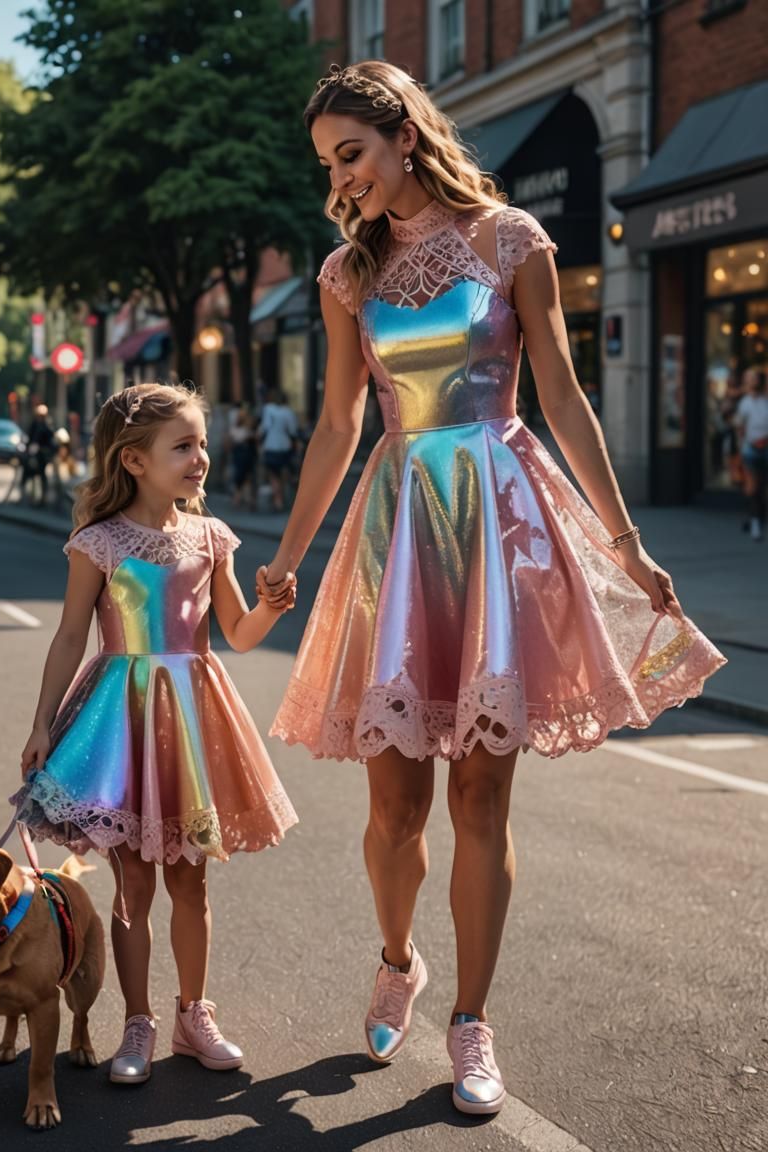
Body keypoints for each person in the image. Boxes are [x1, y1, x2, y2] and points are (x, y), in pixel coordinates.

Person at [256, 61, 726, 1117]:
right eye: (328, 162)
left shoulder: (510, 239)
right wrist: (285, 557)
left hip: (500, 525)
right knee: (391, 803)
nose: (341, 177)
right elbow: (337, 426)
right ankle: (395, 957)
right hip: (397, 527)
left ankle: (469, 1020)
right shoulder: (345, 275)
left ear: (403, 138)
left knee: (478, 791)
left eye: (352, 152)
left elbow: (560, 392)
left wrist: (621, 535)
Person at [12, 382, 298, 1086]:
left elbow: (238, 633)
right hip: (120, 719)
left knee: (192, 882)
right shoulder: (99, 543)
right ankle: (136, 1021)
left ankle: (192, 1013)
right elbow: (71, 635)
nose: (200, 457)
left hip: (193, 719)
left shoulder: (210, 536)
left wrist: (269, 606)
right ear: (134, 461)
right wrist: (42, 725)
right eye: (184, 446)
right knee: (133, 884)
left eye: (201, 443)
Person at [736, 366, 768, 541]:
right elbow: (740, 427)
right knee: (753, 487)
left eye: (754, 378)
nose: (751, 382)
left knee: (762, 488)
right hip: (751, 448)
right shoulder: (745, 402)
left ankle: (756, 519)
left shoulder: (765, 401)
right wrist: (741, 449)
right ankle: (755, 521)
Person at [258, 389, 299, 510]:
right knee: (283, 473)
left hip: (271, 445)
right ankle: (282, 496)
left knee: (273, 475)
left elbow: (265, 427)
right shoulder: (288, 412)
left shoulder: (268, 409)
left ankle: (278, 499)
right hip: (284, 446)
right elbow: (292, 431)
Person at [23, 404, 57, 505]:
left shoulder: (47, 425)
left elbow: (50, 439)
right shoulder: (34, 424)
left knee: (42, 476)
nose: (40, 417)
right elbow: (30, 438)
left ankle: (43, 498)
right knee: (30, 473)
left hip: (42, 455)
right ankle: (30, 496)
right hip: (33, 454)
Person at [228, 403, 258, 509]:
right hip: (242, 454)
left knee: (244, 477)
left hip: (245, 455)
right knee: (242, 477)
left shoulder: (246, 429)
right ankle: (242, 498)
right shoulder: (239, 429)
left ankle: (243, 499)